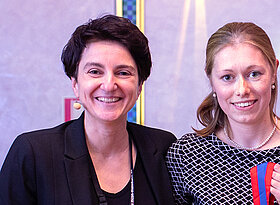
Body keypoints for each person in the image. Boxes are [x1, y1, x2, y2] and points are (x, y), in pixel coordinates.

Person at [0, 15, 176, 204]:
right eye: (95, 72)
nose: (109, 85)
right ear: (75, 83)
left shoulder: (164, 149)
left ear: (139, 86)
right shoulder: (33, 154)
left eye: (123, 73)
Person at [166, 22, 280, 205]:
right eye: (227, 77)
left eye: (254, 74)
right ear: (211, 80)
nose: (242, 89)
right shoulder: (186, 155)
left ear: (274, 71)